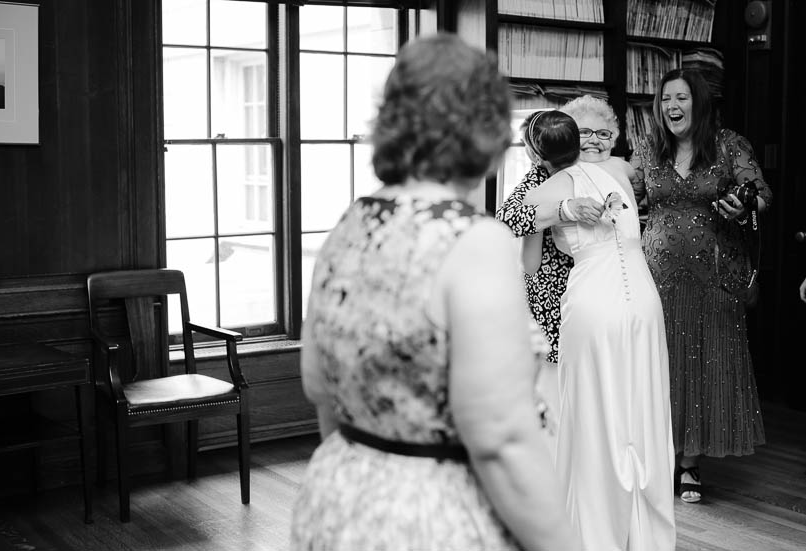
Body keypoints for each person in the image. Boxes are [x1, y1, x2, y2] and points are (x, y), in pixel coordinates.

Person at [289, 33, 579, 551]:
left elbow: (319, 388)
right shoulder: (472, 242)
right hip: (434, 515)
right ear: (487, 129)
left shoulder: (347, 227)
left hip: (336, 496)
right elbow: (501, 441)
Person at [523, 110, 676, 551]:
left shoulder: (543, 191)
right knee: (642, 410)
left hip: (593, 301)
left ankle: (595, 533)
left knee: (595, 414)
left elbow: (528, 265)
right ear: (581, 138)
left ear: (536, 152)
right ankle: (645, 535)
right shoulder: (618, 171)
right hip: (644, 299)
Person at [630, 68, 772, 504]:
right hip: (656, 274)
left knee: (705, 362)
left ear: (700, 102)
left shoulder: (730, 145)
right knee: (662, 363)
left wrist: (741, 206)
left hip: (715, 274)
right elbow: (628, 195)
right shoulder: (649, 147)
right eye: (666, 99)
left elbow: (762, 195)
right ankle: (658, 457)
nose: (672, 107)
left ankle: (690, 462)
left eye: (682, 98)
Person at [496, 95, 626, 365]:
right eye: (584, 133)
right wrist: (563, 208)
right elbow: (505, 218)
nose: (593, 140)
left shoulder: (610, 173)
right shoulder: (540, 176)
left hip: (599, 290)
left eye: (602, 133)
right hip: (553, 291)